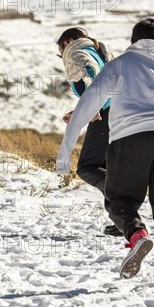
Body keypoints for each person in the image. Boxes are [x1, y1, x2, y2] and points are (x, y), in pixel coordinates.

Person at [56, 19, 154, 286]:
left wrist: (64, 155)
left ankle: (137, 234)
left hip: (129, 139)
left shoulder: (120, 65)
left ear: (132, 42)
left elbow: (87, 103)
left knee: (120, 199)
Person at [56, 27, 121, 236]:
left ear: (67, 42)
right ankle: (122, 221)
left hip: (104, 113)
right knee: (104, 167)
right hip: (119, 110)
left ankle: (125, 194)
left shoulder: (75, 52)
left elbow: (92, 76)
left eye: (60, 50)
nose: (61, 56)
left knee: (87, 168)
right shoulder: (100, 51)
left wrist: (92, 108)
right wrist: (79, 111)